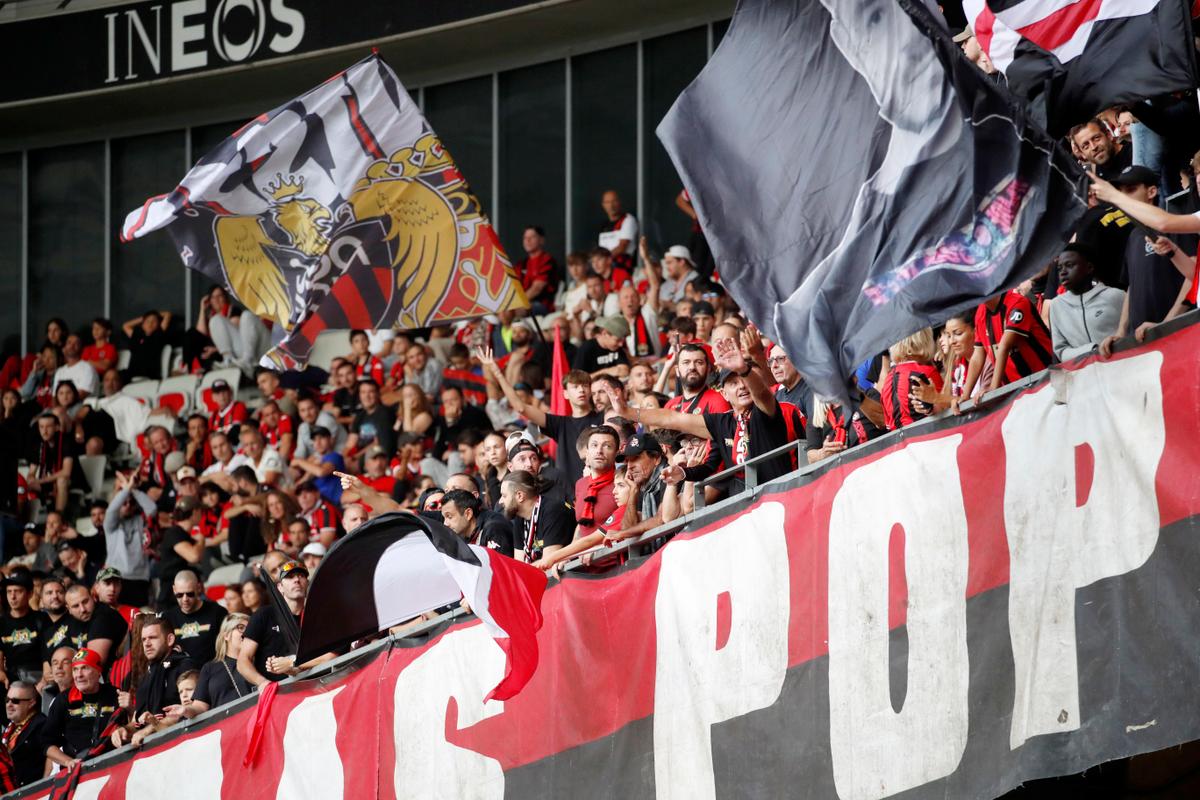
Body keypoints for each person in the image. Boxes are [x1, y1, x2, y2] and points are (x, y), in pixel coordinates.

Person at [608, 336, 802, 496]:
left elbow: (762, 394)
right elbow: (673, 419)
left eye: (744, 381)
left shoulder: (765, 411)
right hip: (748, 504)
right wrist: (628, 412)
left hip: (780, 496)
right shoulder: (722, 422)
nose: (742, 386)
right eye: (733, 383)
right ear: (724, 393)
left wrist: (744, 370)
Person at [479, 348, 602, 490]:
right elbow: (521, 407)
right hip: (572, 492)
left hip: (601, 485)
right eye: (575, 387)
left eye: (585, 386)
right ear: (565, 394)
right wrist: (497, 373)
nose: (581, 390)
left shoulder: (603, 417)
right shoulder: (559, 424)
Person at [110, 617, 197, 748]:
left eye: (153, 638)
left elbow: (187, 711)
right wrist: (125, 730)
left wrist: (149, 730)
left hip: (182, 744)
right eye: (144, 639)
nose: (147, 644)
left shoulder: (185, 666)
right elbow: (138, 721)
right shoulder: (147, 675)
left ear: (170, 640)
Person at [964, 289, 1056, 396]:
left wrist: (993, 388)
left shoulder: (1017, 302)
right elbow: (977, 357)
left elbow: (1004, 346)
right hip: (1016, 392)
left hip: (1047, 379)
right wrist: (965, 396)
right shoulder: (980, 313)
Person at [43, 648, 120, 768]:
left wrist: (130, 708)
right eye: (75, 669)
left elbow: (133, 724)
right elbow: (46, 743)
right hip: (79, 770)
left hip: (114, 764)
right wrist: (68, 761)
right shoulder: (63, 699)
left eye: (85, 668)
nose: (79, 675)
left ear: (98, 671)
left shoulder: (115, 694)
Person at [1048, 244, 1126, 360]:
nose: (1063, 272)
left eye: (1069, 265)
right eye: (1059, 268)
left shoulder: (1116, 295)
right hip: (1085, 370)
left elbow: (1132, 331)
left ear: (1089, 268)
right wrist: (1092, 350)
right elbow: (1061, 350)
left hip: (1123, 364)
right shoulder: (1056, 305)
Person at [238, 561, 308, 686]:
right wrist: (264, 683)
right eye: (290, 577)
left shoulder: (314, 615)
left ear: (307, 583)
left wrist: (291, 662)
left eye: (301, 576)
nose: (297, 580)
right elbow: (243, 660)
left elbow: (329, 655)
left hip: (314, 684)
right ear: (280, 587)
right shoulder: (264, 614)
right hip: (277, 691)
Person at [170, 613, 253, 718]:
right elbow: (200, 707)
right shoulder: (210, 668)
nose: (246, 632)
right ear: (226, 635)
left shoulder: (258, 661)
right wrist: (185, 710)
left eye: (250, 629)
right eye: (241, 628)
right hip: (226, 725)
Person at [498, 471, 574, 565]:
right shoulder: (520, 517)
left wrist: (524, 571)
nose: (500, 501)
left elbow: (548, 563)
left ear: (520, 496)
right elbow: (519, 564)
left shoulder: (553, 511)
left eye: (504, 496)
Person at [875, 328, 943, 431]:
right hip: (930, 433)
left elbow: (888, 423)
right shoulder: (926, 372)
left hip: (899, 439)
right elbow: (946, 406)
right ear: (924, 341)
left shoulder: (887, 380)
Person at [161, 571, 228, 664]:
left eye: (190, 594)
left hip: (213, 669)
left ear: (199, 588)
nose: (185, 599)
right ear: (174, 590)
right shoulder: (168, 617)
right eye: (179, 595)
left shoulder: (217, 612)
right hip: (181, 671)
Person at [64, 585, 127, 676]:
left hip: (116, 677)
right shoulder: (72, 622)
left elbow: (92, 663)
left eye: (85, 602)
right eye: (75, 606)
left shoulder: (103, 617)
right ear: (69, 609)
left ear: (93, 597)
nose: (83, 609)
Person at [0, 572, 50, 686]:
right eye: (9, 592)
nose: (12, 597)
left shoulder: (42, 619)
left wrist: (44, 679)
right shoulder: (1, 623)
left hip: (38, 676)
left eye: (18, 591)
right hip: (11, 678)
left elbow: (47, 653)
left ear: (30, 594)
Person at [157, 498, 206, 607]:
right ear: (195, 512)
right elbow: (193, 557)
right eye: (201, 511)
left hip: (183, 596)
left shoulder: (184, 535)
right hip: (172, 599)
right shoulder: (174, 532)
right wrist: (201, 540)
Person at [574, 426, 619, 538]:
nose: (599, 451)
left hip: (612, 548)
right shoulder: (580, 484)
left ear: (616, 453)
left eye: (607, 446)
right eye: (594, 445)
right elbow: (581, 527)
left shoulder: (621, 483)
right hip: (582, 548)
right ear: (587, 452)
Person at [440, 489, 514, 557]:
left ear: (468, 514)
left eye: (449, 517)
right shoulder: (463, 535)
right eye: (444, 518)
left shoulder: (494, 528)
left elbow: (502, 565)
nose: (445, 524)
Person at [663, 343, 731, 415]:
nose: (692, 367)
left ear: (708, 369)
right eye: (686, 362)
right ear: (677, 370)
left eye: (699, 362)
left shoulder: (717, 401)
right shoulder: (670, 405)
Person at [4, 680, 46, 788]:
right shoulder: (11, 726)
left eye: (15, 701)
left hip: (30, 791)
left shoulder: (41, 725)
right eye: (7, 700)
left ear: (31, 703)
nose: (9, 705)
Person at [343, 379, 396, 460]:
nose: (367, 396)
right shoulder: (360, 416)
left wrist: (355, 457)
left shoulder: (384, 413)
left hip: (377, 456)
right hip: (360, 456)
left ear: (378, 394)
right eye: (363, 392)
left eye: (371, 392)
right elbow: (350, 444)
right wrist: (342, 458)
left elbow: (378, 443)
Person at [514, 226, 559, 313]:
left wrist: (518, 304)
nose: (528, 240)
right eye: (525, 238)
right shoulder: (521, 264)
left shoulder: (547, 260)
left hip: (542, 305)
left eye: (532, 237)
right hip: (523, 303)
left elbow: (537, 289)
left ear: (541, 240)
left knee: (510, 312)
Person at [122, 309, 171, 381]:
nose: (150, 324)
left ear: (158, 324)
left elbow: (168, 314)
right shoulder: (136, 335)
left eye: (154, 321)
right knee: (114, 375)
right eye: (147, 321)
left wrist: (152, 316)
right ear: (142, 324)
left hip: (149, 373)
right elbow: (125, 325)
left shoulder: (158, 335)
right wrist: (143, 318)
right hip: (132, 372)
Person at [598, 190, 638, 273]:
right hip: (605, 270)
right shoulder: (603, 226)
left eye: (614, 201)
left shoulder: (628, 219)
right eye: (607, 202)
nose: (611, 205)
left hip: (623, 268)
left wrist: (604, 261)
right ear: (603, 205)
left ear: (620, 202)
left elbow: (622, 247)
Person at [52, 335, 98, 399]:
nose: (72, 346)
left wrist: (63, 403)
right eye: (69, 343)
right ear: (64, 347)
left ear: (81, 348)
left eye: (76, 343)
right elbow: (54, 396)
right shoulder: (59, 371)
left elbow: (82, 394)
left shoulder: (88, 368)